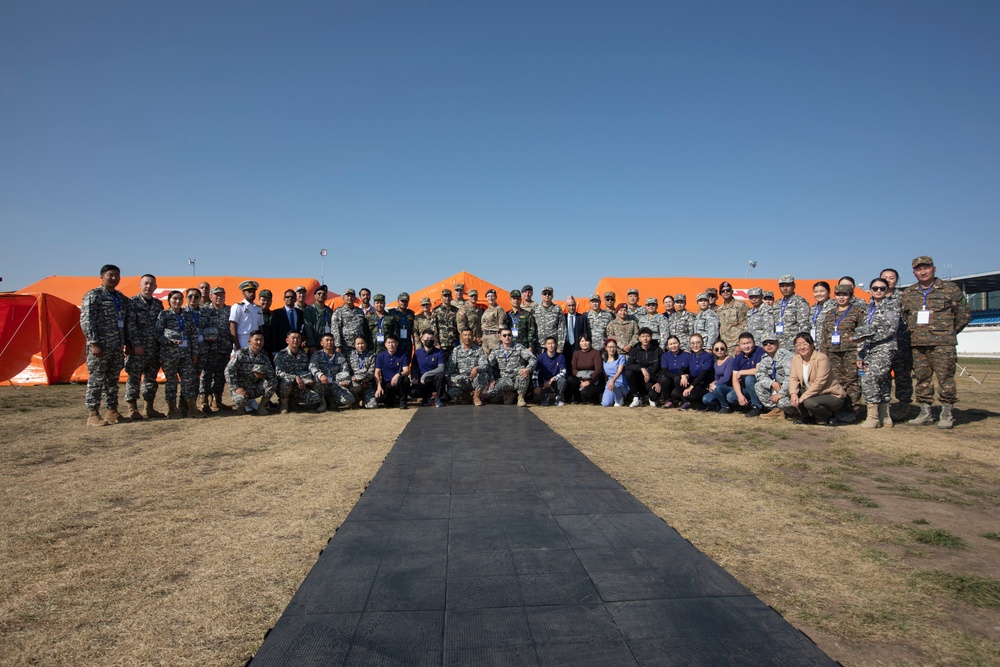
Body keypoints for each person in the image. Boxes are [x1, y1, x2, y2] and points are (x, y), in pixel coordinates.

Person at [900, 255, 971, 429]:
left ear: (934, 268)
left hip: (943, 343)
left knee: (945, 378)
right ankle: (925, 412)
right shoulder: (909, 293)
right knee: (922, 379)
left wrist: (948, 333)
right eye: (918, 269)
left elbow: (964, 314)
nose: (922, 271)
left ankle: (946, 412)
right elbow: (905, 317)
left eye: (926, 267)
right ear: (914, 272)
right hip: (918, 344)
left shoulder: (950, 289)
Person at [81, 264, 137, 426]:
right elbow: (87, 320)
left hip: (117, 347)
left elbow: (127, 323)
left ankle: (112, 411)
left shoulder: (121, 298)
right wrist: (94, 342)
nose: (113, 278)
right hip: (100, 346)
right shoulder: (94, 296)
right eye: (110, 275)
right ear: (102, 276)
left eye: (116, 276)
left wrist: (129, 343)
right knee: (97, 380)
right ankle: (93, 414)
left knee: (112, 381)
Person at [855, 277, 899, 428]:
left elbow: (890, 329)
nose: (878, 291)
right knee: (883, 380)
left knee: (870, 378)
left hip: (884, 347)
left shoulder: (892, 306)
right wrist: (859, 352)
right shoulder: (868, 308)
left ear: (887, 290)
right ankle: (885, 415)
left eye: (882, 288)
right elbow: (861, 331)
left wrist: (868, 337)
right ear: (870, 290)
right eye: (875, 288)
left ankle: (872, 416)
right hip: (868, 349)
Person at [156, 290, 205, 419]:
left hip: (186, 354)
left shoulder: (187, 316)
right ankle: (172, 409)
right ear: (169, 300)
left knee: (189, 381)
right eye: (174, 299)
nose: (177, 301)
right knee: (171, 381)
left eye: (179, 299)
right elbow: (157, 333)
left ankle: (191, 408)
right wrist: (169, 341)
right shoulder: (164, 315)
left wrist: (194, 352)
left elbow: (193, 335)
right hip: (169, 354)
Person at [819, 284, 865, 419]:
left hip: (851, 351)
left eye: (845, 295)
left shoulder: (857, 312)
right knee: (838, 381)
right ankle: (840, 408)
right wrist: (824, 354)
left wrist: (860, 354)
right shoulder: (830, 314)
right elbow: (824, 335)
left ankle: (853, 409)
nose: (841, 297)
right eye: (838, 295)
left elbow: (862, 334)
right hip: (833, 352)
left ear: (850, 296)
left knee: (852, 381)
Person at [123, 274, 164, 421]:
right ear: (139, 285)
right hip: (138, 349)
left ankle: (149, 407)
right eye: (145, 283)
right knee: (134, 378)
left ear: (155, 287)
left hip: (154, 348)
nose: (148, 286)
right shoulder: (132, 303)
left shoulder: (158, 304)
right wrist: (135, 344)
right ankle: (132, 408)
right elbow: (130, 325)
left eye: (151, 284)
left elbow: (161, 326)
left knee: (151, 380)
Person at [789, 332, 847, 426]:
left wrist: (802, 398)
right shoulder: (796, 358)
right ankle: (807, 418)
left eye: (805, 344)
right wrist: (793, 394)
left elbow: (819, 383)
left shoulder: (821, 358)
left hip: (830, 394)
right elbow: (793, 378)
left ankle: (830, 416)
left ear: (812, 345)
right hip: (812, 392)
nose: (802, 347)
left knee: (809, 402)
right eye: (798, 344)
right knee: (792, 391)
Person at [880, 267, 912, 416]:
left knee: (902, 376)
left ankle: (903, 405)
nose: (887, 280)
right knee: (884, 376)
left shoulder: (903, 297)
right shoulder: (876, 298)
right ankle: (885, 405)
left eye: (891, 277)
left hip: (901, 344)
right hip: (881, 345)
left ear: (896, 280)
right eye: (884, 277)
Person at [225, 330, 276, 415]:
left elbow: (271, 374)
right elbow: (229, 370)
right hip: (241, 388)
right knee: (240, 400)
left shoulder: (264, 356)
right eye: (256, 340)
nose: (259, 342)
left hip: (255, 388)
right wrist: (236, 387)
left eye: (261, 340)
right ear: (249, 341)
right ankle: (241, 407)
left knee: (273, 381)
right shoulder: (240, 354)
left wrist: (262, 376)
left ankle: (262, 407)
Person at [201, 286, 233, 413]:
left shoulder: (229, 310)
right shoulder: (204, 310)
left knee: (220, 375)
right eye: (216, 295)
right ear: (211, 296)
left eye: (221, 295)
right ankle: (203, 401)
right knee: (206, 375)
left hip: (225, 348)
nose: (218, 297)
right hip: (209, 349)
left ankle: (217, 400)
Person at [485, 328, 536, 406]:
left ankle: (521, 397)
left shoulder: (519, 347)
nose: (507, 337)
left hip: (518, 378)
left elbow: (533, 358)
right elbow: (488, 365)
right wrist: (491, 378)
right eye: (504, 335)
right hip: (505, 380)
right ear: (500, 337)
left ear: (512, 336)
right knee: (490, 392)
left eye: (509, 335)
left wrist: (528, 369)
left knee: (524, 374)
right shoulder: (496, 350)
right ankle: (508, 394)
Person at [273, 331, 321, 413]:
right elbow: (278, 373)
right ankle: (284, 403)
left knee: (315, 398)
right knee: (286, 382)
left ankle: (293, 401)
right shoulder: (280, 355)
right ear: (287, 340)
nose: (296, 340)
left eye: (298, 338)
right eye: (293, 338)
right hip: (284, 386)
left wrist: (307, 380)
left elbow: (307, 371)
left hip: (300, 386)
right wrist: (295, 377)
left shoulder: (304, 355)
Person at [309, 333, 356, 412]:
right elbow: (312, 367)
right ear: (321, 343)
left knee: (349, 399)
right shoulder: (317, 354)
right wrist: (321, 375)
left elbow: (345, 371)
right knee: (316, 379)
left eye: (331, 340)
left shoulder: (340, 356)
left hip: (335, 383)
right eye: (327, 340)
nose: (329, 342)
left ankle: (333, 401)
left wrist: (344, 381)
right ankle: (322, 402)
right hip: (321, 384)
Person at [446, 328, 489, 405]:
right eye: (465, 335)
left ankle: (476, 396)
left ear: (473, 337)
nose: (467, 337)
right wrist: (448, 379)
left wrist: (476, 368)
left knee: (484, 375)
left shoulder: (478, 350)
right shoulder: (456, 350)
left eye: (469, 335)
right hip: (461, 380)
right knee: (451, 392)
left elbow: (485, 364)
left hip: (474, 379)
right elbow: (450, 368)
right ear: (461, 337)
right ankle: (465, 395)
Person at [755, 336, 794, 419]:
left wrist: (781, 393)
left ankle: (796, 413)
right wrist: (771, 383)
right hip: (776, 387)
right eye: (765, 344)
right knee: (758, 386)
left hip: (790, 390)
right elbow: (759, 374)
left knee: (782, 402)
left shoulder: (786, 356)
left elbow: (791, 377)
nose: (768, 345)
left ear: (777, 343)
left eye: (771, 342)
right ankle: (777, 411)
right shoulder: (765, 358)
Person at [625, 327, 661, 407]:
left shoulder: (658, 350)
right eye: (643, 336)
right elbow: (628, 365)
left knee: (654, 397)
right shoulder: (634, 350)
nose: (645, 339)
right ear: (639, 338)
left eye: (647, 336)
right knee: (629, 373)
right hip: (639, 380)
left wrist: (659, 382)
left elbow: (663, 369)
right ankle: (637, 397)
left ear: (651, 337)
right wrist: (641, 369)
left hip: (652, 380)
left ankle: (650, 397)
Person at [732, 332, 766, 417]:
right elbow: (734, 378)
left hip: (761, 386)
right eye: (743, 344)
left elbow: (758, 371)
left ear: (754, 342)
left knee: (749, 379)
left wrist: (741, 372)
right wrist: (740, 395)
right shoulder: (738, 357)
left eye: (749, 343)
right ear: (739, 344)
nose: (746, 346)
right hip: (747, 388)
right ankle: (748, 404)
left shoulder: (760, 352)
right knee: (731, 397)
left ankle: (757, 406)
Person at [677, 333, 713, 410]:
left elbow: (702, 375)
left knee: (691, 395)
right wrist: (683, 376)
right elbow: (681, 370)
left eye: (698, 342)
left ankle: (696, 403)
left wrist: (690, 388)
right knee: (675, 391)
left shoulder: (708, 356)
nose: (695, 345)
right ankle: (687, 402)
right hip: (694, 383)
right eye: (692, 343)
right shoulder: (690, 356)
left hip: (703, 385)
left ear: (703, 343)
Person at [774, 275, 811, 352]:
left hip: (793, 346)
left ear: (794, 286)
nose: (785, 288)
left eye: (788, 285)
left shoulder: (799, 301)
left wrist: (801, 344)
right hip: (779, 345)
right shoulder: (777, 303)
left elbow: (804, 324)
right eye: (782, 286)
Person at [374, 335, 411, 409]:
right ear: (385, 344)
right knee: (379, 399)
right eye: (389, 342)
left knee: (405, 379)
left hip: (398, 383)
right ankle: (391, 400)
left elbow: (406, 370)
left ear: (397, 343)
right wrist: (379, 387)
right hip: (387, 384)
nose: (391, 345)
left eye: (393, 342)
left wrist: (398, 375)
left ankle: (402, 401)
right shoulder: (380, 356)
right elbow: (377, 372)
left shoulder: (402, 355)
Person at [412, 331, 447, 407]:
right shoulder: (417, 353)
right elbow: (414, 367)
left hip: (433, 380)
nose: (429, 340)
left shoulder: (439, 352)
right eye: (427, 338)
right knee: (413, 392)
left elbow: (441, 368)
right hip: (422, 381)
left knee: (441, 376)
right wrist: (414, 378)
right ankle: (426, 397)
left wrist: (426, 374)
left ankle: (438, 398)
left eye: (431, 339)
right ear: (422, 340)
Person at [567, 335, 604, 405]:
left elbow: (598, 370)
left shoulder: (596, 353)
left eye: (586, 341)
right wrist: (582, 377)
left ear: (590, 342)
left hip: (594, 380)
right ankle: (577, 398)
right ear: (579, 343)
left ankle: (595, 397)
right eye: (582, 341)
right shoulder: (576, 353)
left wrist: (589, 381)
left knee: (585, 394)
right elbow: (574, 370)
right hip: (580, 378)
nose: (584, 343)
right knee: (571, 379)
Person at [332, 288, 371, 354]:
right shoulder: (338, 312)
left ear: (355, 298)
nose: (350, 298)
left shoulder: (359, 311)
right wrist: (338, 346)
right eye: (348, 296)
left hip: (359, 346)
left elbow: (364, 328)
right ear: (343, 298)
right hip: (345, 346)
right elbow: (335, 329)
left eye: (352, 296)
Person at [703, 340, 738, 413]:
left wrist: (714, 384)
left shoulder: (730, 360)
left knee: (716, 387)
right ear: (713, 351)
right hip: (719, 387)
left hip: (730, 388)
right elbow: (717, 378)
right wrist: (711, 385)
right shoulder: (716, 363)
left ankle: (725, 407)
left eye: (722, 348)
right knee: (706, 399)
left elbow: (726, 378)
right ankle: (718, 404)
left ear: (726, 349)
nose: (719, 351)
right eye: (717, 349)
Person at [657, 335, 691, 409]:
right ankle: (669, 401)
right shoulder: (665, 355)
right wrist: (676, 376)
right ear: (668, 346)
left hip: (683, 381)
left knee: (677, 380)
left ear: (679, 343)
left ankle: (685, 401)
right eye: (671, 344)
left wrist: (686, 375)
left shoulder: (687, 355)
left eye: (675, 343)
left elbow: (689, 369)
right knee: (664, 379)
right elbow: (664, 371)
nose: (673, 346)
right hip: (671, 380)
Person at [229, 280, 265, 351]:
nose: (252, 294)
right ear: (243, 293)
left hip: (256, 340)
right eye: (249, 291)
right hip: (243, 339)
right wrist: (237, 345)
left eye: (253, 291)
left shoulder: (258, 308)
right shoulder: (238, 307)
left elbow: (260, 327)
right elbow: (232, 327)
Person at [270, 289, 307, 356]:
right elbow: (274, 333)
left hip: (297, 348)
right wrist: (274, 351)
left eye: (292, 297)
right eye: (287, 297)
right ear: (284, 298)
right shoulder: (277, 313)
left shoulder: (300, 313)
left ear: (295, 299)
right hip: (281, 348)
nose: (290, 298)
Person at [345, 335, 378, 408]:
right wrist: (355, 380)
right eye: (358, 344)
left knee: (373, 406)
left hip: (367, 384)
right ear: (354, 345)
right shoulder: (349, 355)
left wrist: (364, 381)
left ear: (366, 344)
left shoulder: (372, 355)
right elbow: (347, 371)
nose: (360, 346)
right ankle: (355, 399)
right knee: (355, 386)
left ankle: (364, 401)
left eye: (362, 343)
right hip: (354, 383)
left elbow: (371, 371)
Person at [534, 336, 568, 406]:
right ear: (545, 345)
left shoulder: (561, 357)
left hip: (555, 383)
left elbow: (563, 372)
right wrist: (536, 386)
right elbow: (535, 373)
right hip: (544, 384)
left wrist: (552, 379)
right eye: (548, 344)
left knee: (563, 380)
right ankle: (545, 397)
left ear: (556, 345)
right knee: (544, 404)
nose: (550, 345)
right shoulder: (540, 357)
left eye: (552, 343)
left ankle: (558, 398)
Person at [717, 281, 748, 353]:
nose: (725, 292)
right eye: (723, 291)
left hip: (735, 345)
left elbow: (744, 325)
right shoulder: (719, 309)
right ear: (720, 294)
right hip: (723, 346)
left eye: (728, 290)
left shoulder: (741, 306)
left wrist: (740, 344)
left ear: (732, 291)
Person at [534, 287, 567, 355]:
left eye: (549, 294)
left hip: (553, 346)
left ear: (552, 296)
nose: (547, 295)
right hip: (539, 346)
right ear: (541, 295)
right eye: (545, 293)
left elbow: (562, 328)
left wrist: (560, 347)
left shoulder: (557, 309)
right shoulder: (535, 310)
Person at [507, 289, 540, 355]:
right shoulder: (506, 315)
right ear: (510, 300)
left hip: (524, 346)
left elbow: (531, 331)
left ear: (521, 300)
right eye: (514, 298)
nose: (516, 300)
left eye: (518, 299)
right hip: (510, 345)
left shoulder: (527, 314)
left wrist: (531, 346)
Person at [303, 285, 334, 354]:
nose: (321, 295)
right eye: (319, 294)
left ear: (326, 296)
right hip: (315, 344)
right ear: (315, 296)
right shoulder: (310, 310)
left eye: (324, 294)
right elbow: (308, 328)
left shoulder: (329, 311)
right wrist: (311, 345)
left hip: (327, 344)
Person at [600, 338, 629, 407]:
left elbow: (619, 371)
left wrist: (613, 380)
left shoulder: (621, 357)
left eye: (614, 347)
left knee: (616, 385)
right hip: (610, 383)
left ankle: (620, 399)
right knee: (605, 403)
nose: (612, 349)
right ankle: (614, 397)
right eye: (610, 347)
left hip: (620, 382)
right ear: (606, 348)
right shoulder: (604, 361)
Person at [480, 289, 509, 356]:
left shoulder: (499, 309)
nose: (490, 298)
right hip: (485, 337)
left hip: (494, 337)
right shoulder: (486, 310)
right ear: (486, 298)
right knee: (485, 358)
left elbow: (502, 327)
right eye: (488, 296)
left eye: (492, 296)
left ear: (496, 297)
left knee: (496, 357)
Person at [562, 296, 591, 362]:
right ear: (566, 306)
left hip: (578, 347)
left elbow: (585, 332)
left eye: (573, 305)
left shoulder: (582, 317)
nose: (571, 307)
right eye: (569, 305)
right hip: (566, 346)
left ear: (576, 305)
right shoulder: (563, 318)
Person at [389, 292, 417, 360]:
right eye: (402, 301)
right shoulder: (391, 313)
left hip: (407, 344)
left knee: (406, 363)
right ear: (398, 301)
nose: (404, 303)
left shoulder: (411, 313)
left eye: (406, 301)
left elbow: (413, 329)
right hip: (395, 343)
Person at [433, 288, 460, 358]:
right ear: (441, 297)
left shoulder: (456, 310)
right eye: (445, 296)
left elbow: (459, 327)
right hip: (442, 344)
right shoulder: (436, 311)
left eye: (449, 296)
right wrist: (436, 343)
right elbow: (434, 328)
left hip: (454, 343)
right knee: (442, 365)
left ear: (451, 297)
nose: (447, 298)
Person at [258, 289, 276, 357]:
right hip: (258, 347)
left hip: (270, 349)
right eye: (263, 300)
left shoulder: (274, 315)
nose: (266, 302)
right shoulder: (254, 313)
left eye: (268, 300)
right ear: (259, 300)